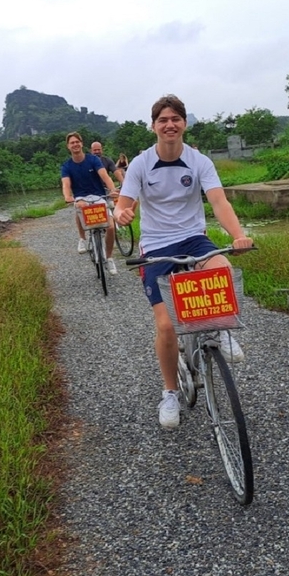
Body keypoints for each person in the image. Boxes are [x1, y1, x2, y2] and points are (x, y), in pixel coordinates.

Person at [114, 95, 253, 429]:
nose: (169, 124)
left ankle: (220, 331)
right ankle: (170, 393)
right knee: (166, 325)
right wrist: (122, 214)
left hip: (194, 238)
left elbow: (218, 202)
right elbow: (123, 204)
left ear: (184, 124)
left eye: (175, 118)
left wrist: (238, 235)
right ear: (153, 126)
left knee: (223, 269)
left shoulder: (199, 161)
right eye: (163, 119)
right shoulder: (141, 164)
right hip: (157, 245)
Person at [61, 132, 119, 275]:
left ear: (81, 143)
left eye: (77, 142)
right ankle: (82, 238)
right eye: (72, 143)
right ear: (68, 146)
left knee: (111, 227)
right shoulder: (67, 166)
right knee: (79, 206)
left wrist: (112, 189)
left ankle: (110, 258)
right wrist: (68, 196)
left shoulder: (93, 160)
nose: (75, 144)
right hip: (81, 198)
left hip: (99, 196)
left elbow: (105, 176)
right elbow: (66, 184)